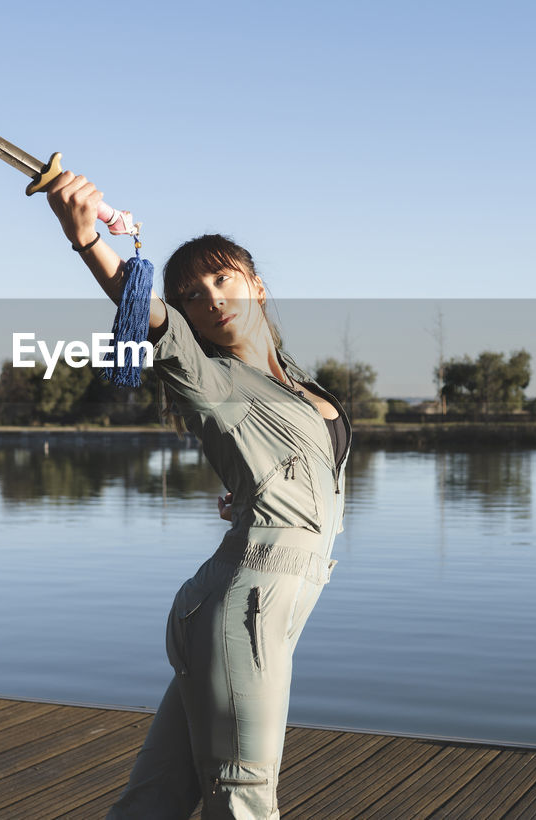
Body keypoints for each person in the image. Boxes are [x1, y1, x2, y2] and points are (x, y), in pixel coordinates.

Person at [43, 169, 351, 820]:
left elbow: (303, 474)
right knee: (244, 799)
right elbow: (148, 316)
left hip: (257, 606)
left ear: (256, 286)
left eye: (222, 278)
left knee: (154, 802)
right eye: (191, 294)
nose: (210, 296)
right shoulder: (210, 378)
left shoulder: (296, 381)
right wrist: (87, 240)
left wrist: (253, 493)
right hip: (247, 607)